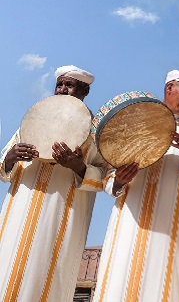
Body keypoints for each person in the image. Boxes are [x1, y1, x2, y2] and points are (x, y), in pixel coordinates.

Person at [92, 70, 179, 301]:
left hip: (169, 225)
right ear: (169, 89)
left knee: (160, 284)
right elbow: (109, 168)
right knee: (120, 278)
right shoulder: (137, 116)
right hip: (130, 218)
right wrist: (118, 181)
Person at [0, 65, 106, 302]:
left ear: (85, 91)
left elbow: (105, 176)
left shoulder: (95, 130)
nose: (62, 90)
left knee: (44, 276)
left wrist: (77, 166)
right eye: (60, 85)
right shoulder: (34, 119)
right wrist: (11, 157)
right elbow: (3, 166)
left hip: (60, 215)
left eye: (69, 85)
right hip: (19, 211)